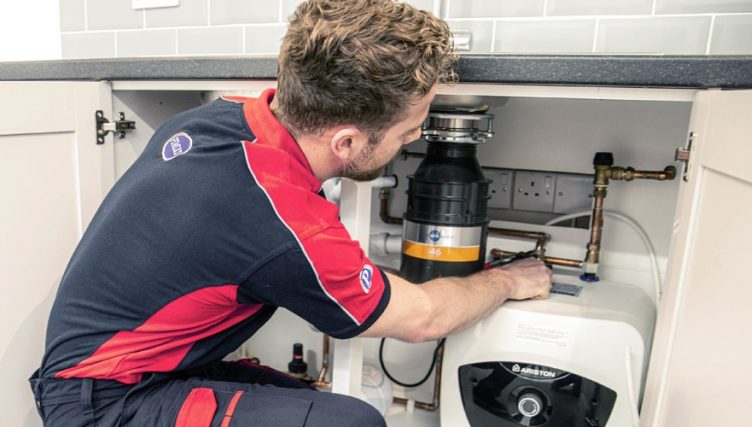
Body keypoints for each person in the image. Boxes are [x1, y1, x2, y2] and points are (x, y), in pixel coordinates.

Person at [30, 0, 552, 425]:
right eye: (408, 130)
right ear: (346, 141)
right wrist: (506, 281)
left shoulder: (217, 120)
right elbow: (424, 318)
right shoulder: (282, 219)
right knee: (352, 425)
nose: (415, 137)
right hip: (104, 405)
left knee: (312, 404)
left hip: (135, 371)